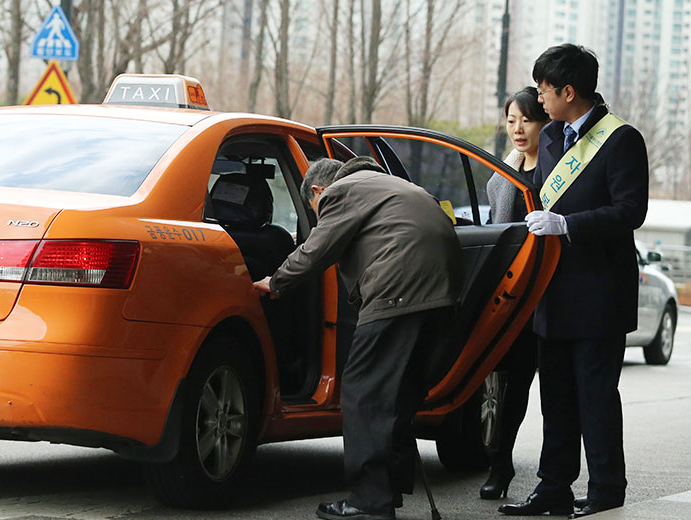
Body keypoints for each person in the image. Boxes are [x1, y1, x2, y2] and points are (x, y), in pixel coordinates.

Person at [253, 156, 464, 520]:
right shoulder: (390, 185)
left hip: (399, 289)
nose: (320, 215)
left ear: (318, 191)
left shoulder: (340, 192)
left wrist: (276, 281)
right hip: (444, 294)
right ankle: (389, 488)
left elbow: (317, 248)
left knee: (364, 390)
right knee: (398, 393)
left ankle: (369, 501)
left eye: (314, 210)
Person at [499, 44, 648, 518]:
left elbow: (631, 211)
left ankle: (606, 489)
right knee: (556, 397)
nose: (539, 98)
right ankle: (553, 488)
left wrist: (569, 224)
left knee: (595, 397)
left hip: (600, 291)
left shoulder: (621, 139)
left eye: (544, 90)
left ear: (569, 90)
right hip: (552, 288)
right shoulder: (549, 139)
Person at [480, 86, 549, 500]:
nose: (518, 129)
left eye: (527, 119)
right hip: (512, 296)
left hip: (549, 292)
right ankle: (499, 465)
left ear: (545, 122)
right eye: (511, 121)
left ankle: (553, 475)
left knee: (555, 389)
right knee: (509, 385)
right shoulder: (502, 175)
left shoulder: (556, 173)